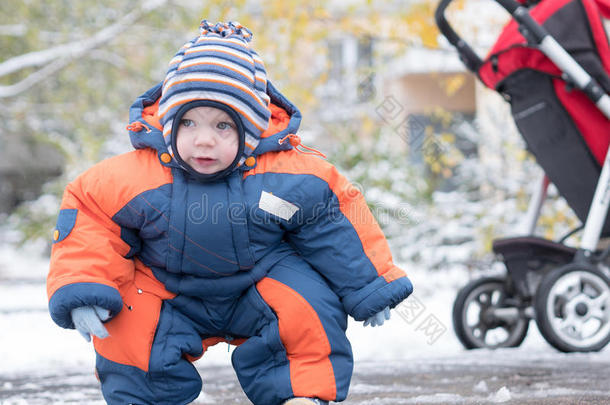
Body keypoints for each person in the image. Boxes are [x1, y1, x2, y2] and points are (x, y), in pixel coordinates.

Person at [47, 20, 413, 405]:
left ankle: (300, 393)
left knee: (307, 306)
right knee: (129, 324)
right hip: (167, 290)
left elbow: (334, 222)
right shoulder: (136, 175)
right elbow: (89, 217)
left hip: (258, 283)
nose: (203, 139)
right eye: (188, 122)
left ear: (251, 132)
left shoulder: (286, 174)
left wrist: (370, 285)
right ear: (169, 124)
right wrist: (83, 287)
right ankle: (149, 396)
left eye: (223, 125)